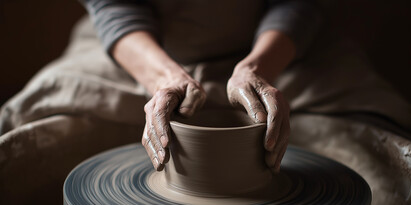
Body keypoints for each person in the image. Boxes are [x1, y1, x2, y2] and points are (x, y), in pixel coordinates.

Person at [80, 0, 322, 172]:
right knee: (60, 114)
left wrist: (258, 70)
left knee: (344, 136)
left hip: (278, 49)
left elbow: (298, 4)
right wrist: (166, 79)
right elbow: (113, 6)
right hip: (141, 47)